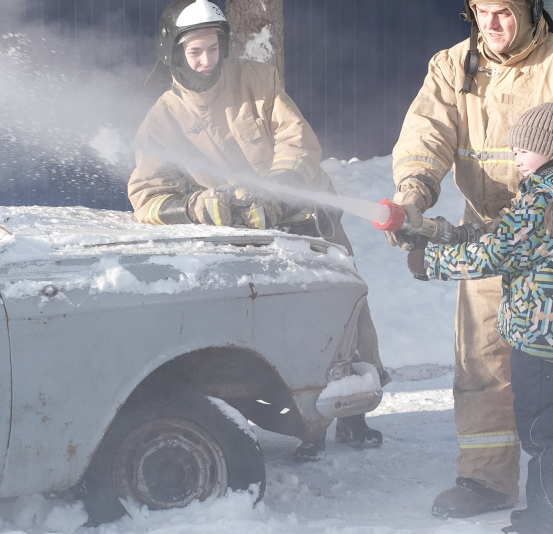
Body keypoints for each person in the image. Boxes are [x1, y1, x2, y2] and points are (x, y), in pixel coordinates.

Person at [127, 0, 390, 460]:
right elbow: (147, 196)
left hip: (308, 217)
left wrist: (277, 188)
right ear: (174, 52)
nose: (207, 60)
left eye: (213, 48)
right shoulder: (162, 120)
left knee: (348, 311)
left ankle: (355, 411)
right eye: (195, 52)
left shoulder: (256, 79)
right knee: (296, 323)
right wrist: (197, 206)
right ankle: (314, 421)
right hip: (251, 237)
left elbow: (298, 140)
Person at [387, 0, 553, 518]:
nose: (490, 25)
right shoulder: (453, 65)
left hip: (549, 241)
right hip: (486, 232)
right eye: (481, 11)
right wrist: (414, 195)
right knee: (482, 362)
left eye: (504, 12)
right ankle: (487, 481)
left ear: (531, 10)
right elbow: (426, 134)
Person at [407, 102, 553, 534]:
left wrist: (432, 264)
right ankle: (551, 511)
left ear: (548, 150)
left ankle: (548, 520)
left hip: (542, 341)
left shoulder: (541, 200)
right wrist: (451, 233)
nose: (514, 157)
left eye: (522, 150)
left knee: (544, 433)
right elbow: (509, 237)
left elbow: (498, 252)